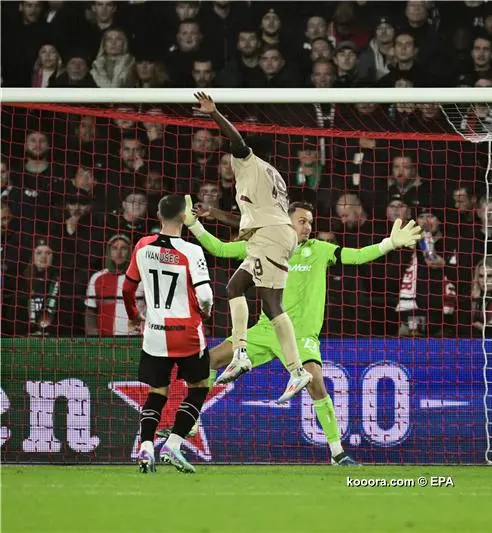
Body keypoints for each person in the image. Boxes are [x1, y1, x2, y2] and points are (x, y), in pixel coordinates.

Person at [167, 198, 421, 465]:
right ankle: (192, 419)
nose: (308, 227)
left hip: (301, 337)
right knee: (208, 360)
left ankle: (337, 452)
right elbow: (218, 249)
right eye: (302, 221)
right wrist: (194, 224)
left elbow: (356, 256)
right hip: (266, 330)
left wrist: (390, 243)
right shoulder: (263, 247)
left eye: (310, 222)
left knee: (316, 383)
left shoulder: (320, 250)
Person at [191, 92, 311, 404]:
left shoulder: (247, 162)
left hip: (271, 237)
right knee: (235, 287)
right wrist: (213, 213)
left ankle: (297, 370)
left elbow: (238, 140)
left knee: (272, 305)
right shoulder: (268, 177)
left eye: (227, 160)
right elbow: (248, 221)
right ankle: (241, 352)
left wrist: (214, 114)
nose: (226, 165)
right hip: (268, 235)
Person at [122, 195, 214, 474]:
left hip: (155, 333)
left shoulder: (141, 246)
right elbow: (206, 294)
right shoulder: (191, 250)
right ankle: (173, 444)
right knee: (199, 387)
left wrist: (133, 317)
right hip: (187, 332)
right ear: (185, 216)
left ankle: (146, 446)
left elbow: (128, 290)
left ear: (159, 216)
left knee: (157, 391)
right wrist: (206, 311)